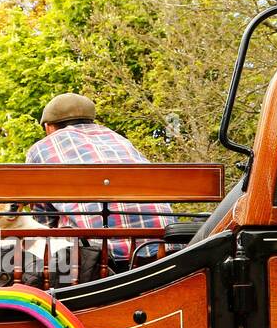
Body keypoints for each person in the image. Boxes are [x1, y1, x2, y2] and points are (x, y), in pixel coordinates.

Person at [25, 93, 173, 264]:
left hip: (99, 255)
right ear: (91, 120)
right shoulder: (120, 140)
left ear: (49, 127)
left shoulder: (42, 148)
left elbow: (44, 220)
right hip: (161, 245)